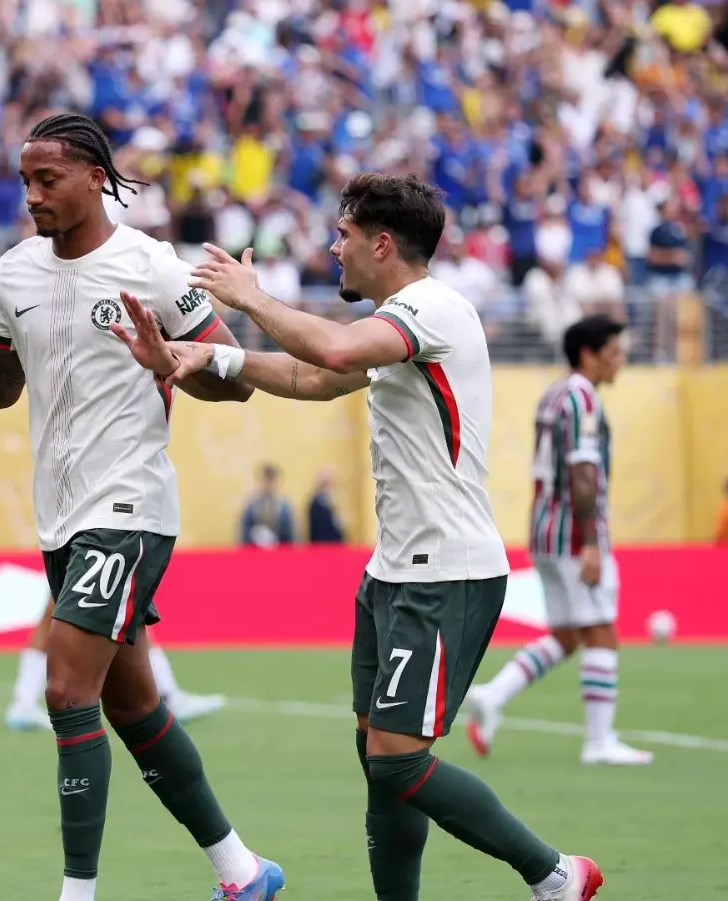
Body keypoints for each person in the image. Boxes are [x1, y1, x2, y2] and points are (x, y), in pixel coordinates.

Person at [113, 173, 601, 901]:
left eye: (343, 235)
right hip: (393, 571)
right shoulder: (395, 323)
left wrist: (251, 299)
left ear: (382, 244)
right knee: (379, 756)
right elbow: (312, 378)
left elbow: (336, 354)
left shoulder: (433, 308)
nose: (333, 249)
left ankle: (556, 875)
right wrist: (210, 358)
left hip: (448, 572)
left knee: (399, 761)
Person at [0, 112, 284, 901]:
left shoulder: (152, 267)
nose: (32, 195)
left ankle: (78, 894)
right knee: (133, 706)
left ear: (96, 178)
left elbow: (235, 377)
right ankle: (242, 872)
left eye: (48, 179)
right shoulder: (14, 274)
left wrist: (173, 360)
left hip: (130, 505)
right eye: (25, 181)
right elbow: (0, 387)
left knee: (66, 692)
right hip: (61, 517)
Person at [464, 315, 654, 767]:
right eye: (614, 352)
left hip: (545, 528)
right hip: (574, 533)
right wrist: (591, 542)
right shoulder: (583, 398)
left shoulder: (554, 393)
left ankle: (493, 695)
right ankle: (600, 741)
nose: (620, 361)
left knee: (567, 634)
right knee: (601, 629)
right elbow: (583, 472)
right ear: (588, 354)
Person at [5, 605, 226, 731]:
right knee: (130, 604)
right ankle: (169, 696)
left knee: (53, 613)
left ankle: (24, 702)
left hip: (70, 543)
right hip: (87, 544)